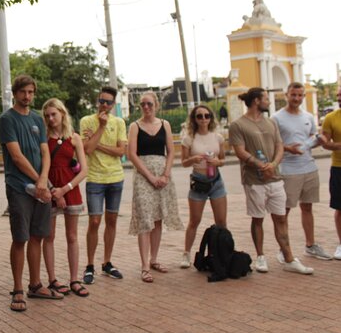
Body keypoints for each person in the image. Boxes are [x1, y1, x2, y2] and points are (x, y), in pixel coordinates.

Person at [229, 87, 313, 274]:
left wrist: (273, 164)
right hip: (254, 181)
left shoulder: (271, 123)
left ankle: (289, 258)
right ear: (256, 101)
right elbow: (240, 151)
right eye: (266, 98)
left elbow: (279, 146)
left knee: (281, 218)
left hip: (275, 179)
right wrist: (260, 165)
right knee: (258, 219)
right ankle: (260, 257)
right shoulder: (238, 125)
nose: (269, 101)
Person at [0, 74, 59, 312]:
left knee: (37, 236)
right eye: (23, 92)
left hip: (40, 187)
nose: (28, 96)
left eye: (31, 92)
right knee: (20, 238)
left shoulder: (37, 119)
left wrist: (43, 180)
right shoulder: (7, 119)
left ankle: (35, 284)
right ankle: (18, 288)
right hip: (19, 188)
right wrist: (39, 180)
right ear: (15, 93)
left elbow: (45, 152)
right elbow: (16, 156)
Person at [127, 92, 183, 283]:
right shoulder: (135, 126)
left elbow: (171, 151)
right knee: (145, 219)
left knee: (158, 218)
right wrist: (150, 176)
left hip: (162, 176)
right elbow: (132, 154)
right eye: (143, 104)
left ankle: (154, 259)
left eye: (149, 103)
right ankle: (144, 266)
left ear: (156, 105)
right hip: (144, 176)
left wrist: (165, 174)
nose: (146, 107)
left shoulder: (165, 124)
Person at [272, 82, 332, 261]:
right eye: (293, 95)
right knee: (285, 211)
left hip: (309, 167)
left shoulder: (308, 116)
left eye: (300, 95)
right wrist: (289, 149)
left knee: (307, 207)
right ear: (286, 95)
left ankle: (310, 245)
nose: (296, 98)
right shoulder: (277, 118)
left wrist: (318, 140)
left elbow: (312, 137)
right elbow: (273, 143)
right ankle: (284, 250)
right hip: (289, 170)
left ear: (304, 97)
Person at [41, 98, 89, 297]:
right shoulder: (43, 138)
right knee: (49, 236)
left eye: (54, 114)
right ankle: (52, 279)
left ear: (62, 113)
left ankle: (74, 279)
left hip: (71, 189)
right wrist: (54, 191)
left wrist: (65, 189)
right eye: (47, 115)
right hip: (50, 190)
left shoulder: (74, 138)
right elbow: (40, 167)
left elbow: (84, 170)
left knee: (72, 236)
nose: (51, 118)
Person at [79, 86, 127, 284]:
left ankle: (107, 262)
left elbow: (120, 152)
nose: (104, 105)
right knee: (95, 222)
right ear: (97, 101)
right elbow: (87, 150)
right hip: (95, 179)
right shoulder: (86, 121)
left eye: (108, 102)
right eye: (102, 101)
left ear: (113, 104)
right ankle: (90, 265)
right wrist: (100, 127)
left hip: (116, 177)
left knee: (112, 220)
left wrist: (96, 142)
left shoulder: (119, 122)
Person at [179, 105, 228, 268]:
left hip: (216, 181)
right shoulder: (189, 139)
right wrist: (194, 159)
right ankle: (186, 253)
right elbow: (184, 163)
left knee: (221, 221)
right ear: (194, 119)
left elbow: (222, 159)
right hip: (198, 182)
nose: (203, 119)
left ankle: (223, 252)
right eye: (199, 116)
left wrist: (217, 162)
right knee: (194, 220)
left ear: (211, 118)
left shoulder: (218, 137)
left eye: (206, 116)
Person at [321, 84, 341, 260]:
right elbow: (324, 142)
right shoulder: (330, 118)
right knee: (340, 208)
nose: (340, 98)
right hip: (338, 168)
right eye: (339, 95)